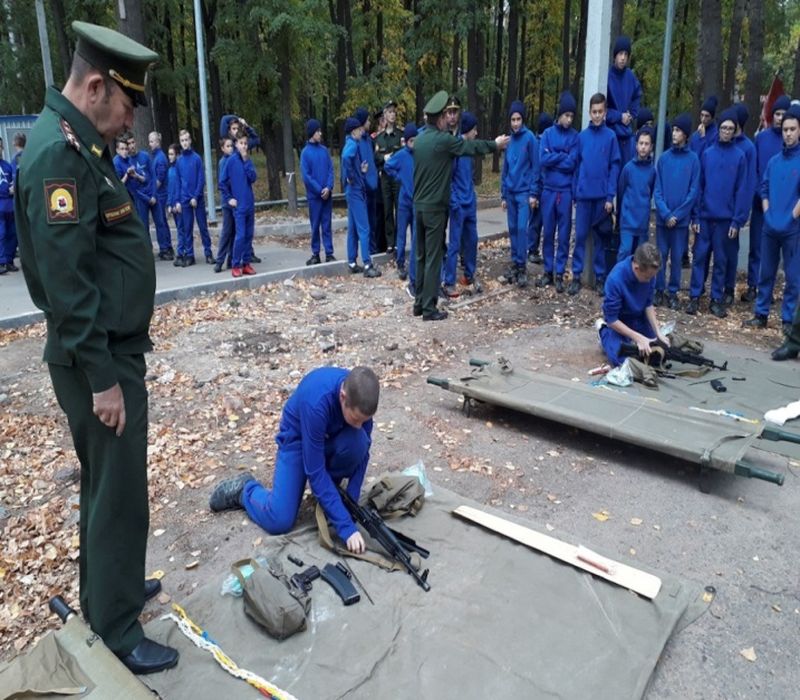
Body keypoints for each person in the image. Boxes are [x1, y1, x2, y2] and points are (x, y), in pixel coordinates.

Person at [13, 21, 177, 674]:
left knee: (113, 486)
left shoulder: (80, 145)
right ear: (96, 86)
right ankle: (114, 627)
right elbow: (67, 285)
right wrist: (104, 380)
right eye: (127, 105)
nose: (129, 121)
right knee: (115, 492)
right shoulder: (59, 155)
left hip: (105, 353)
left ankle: (114, 587)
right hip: (95, 362)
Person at [209, 367, 380, 553]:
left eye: (364, 421)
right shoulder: (317, 403)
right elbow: (315, 472)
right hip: (297, 439)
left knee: (358, 443)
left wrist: (351, 504)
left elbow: (363, 454)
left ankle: (330, 493)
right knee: (279, 519)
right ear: (343, 396)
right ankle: (245, 490)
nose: (359, 425)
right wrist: (346, 527)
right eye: (356, 419)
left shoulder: (362, 400)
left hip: (332, 434)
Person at [413, 90, 508, 321]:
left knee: (422, 256)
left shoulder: (421, 139)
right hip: (435, 209)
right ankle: (429, 309)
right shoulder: (443, 140)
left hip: (420, 207)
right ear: (440, 118)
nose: (450, 119)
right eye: (446, 115)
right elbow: (469, 148)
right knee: (434, 258)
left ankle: (418, 303)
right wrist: (494, 145)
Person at [686, 107, 749, 318]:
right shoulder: (707, 154)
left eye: (730, 128)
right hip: (705, 217)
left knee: (721, 261)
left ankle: (716, 298)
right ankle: (694, 296)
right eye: (723, 128)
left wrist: (737, 221)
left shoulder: (740, 157)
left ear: (735, 130)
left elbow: (742, 190)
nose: (726, 132)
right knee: (699, 258)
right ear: (718, 129)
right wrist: (695, 216)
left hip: (725, 220)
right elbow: (699, 186)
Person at [743, 105, 800, 333]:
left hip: (792, 228)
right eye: (785, 129)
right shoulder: (774, 161)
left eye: (792, 129)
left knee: (793, 276)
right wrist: (767, 213)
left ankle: (788, 320)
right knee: (766, 273)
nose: (787, 133)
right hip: (770, 227)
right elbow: (764, 188)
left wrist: (791, 218)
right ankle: (761, 314)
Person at [572, 92, 621, 295]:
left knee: (600, 239)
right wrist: (576, 192)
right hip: (584, 197)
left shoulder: (611, 137)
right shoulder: (581, 137)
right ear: (589, 113)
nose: (598, 115)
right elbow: (576, 166)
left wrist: (610, 196)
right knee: (581, 236)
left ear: (606, 112)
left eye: (601, 111)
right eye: (594, 112)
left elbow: (614, 167)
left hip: (602, 199)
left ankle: (600, 277)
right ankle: (576, 275)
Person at [653, 113, 700, 310]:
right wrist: (665, 214)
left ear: (686, 135)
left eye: (678, 130)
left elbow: (693, 192)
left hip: (679, 222)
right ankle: (658, 289)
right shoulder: (663, 158)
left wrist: (677, 215)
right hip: (663, 220)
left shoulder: (693, 160)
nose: (674, 133)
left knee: (676, 257)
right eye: (673, 129)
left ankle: (673, 291)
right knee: (660, 256)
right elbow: (658, 189)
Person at [598, 242, 669, 367]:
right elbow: (612, 319)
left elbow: (648, 304)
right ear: (636, 268)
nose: (650, 280)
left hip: (639, 318)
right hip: (618, 321)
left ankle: (636, 339)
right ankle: (603, 332)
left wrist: (658, 332)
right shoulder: (615, 279)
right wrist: (638, 338)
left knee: (656, 354)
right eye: (647, 277)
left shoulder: (650, 273)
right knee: (620, 360)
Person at [537, 92, 578, 293]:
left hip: (565, 191)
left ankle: (560, 272)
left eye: (572, 116)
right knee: (548, 232)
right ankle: (548, 271)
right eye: (566, 115)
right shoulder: (547, 135)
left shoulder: (575, 137)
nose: (569, 120)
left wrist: (555, 156)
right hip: (549, 191)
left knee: (563, 234)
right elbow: (542, 160)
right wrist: (562, 156)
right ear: (559, 114)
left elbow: (572, 163)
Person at [500, 100, 540, 288]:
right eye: (513, 119)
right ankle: (515, 263)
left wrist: (534, 192)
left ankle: (522, 266)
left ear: (523, 120)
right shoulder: (509, 141)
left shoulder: (530, 138)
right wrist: (503, 194)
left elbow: (536, 166)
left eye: (518, 119)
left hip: (524, 192)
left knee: (523, 229)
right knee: (513, 229)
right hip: (511, 192)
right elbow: (505, 168)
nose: (515, 123)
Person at [443, 112, 482, 297]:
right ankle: (449, 281)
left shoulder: (470, 148)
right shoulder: (457, 148)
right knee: (455, 244)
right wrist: (455, 201)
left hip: (470, 203)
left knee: (472, 240)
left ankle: (468, 275)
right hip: (458, 205)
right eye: (475, 130)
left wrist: (471, 197)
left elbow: (469, 176)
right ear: (468, 130)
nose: (477, 133)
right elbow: (448, 179)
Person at [726, 103, 758, 306]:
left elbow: (747, 184)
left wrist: (741, 215)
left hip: (734, 210)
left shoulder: (747, 148)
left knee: (730, 252)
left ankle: (729, 288)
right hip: (716, 208)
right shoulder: (721, 141)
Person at [342, 116, 381, 278]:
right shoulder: (352, 144)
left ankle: (352, 262)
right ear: (354, 131)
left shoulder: (352, 143)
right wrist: (351, 176)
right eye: (359, 130)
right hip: (356, 191)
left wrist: (360, 170)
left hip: (353, 191)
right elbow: (346, 158)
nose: (362, 132)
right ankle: (367, 264)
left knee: (353, 229)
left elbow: (350, 161)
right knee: (364, 228)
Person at [383, 122, 417, 285]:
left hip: (417, 201)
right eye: (410, 141)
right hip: (404, 201)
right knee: (402, 234)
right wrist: (399, 178)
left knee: (417, 235)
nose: (413, 144)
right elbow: (388, 166)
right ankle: (401, 263)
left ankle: (415, 264)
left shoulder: (420, 154)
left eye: (415, 140)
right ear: (405, 141)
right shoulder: (401, 155)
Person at [176, 129, 214, 266]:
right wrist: (179, 200)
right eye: (182, 141)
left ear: (190, 141)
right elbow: (180, 182)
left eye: (187, 140)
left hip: (197, 198)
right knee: (187, 228)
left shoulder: (196, 158)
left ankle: (208, 253)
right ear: (180, 143)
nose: (185, 143)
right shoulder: (179, 161)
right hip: (185, 199)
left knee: (203, 227)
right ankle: (190, 254)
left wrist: (196, 197)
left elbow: (201, 179)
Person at [222, 133, 258, 277]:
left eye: (245, 143)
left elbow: (253, 177)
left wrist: (246, 160)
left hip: (249, 203)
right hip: (239, 206)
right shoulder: (230, 161)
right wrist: (229, 198)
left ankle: (246, 263)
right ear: (236, 144)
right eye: (241, 143)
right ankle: (236, 264)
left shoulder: (247, 160)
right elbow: (222, 183)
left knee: (249, 235)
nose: (244, 146)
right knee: (240, 235)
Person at [300, 118, 335, 265]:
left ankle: (329, 252)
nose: (320, 133)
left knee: (327, 224)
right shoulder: (305, 153)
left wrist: (329, 187)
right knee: (315, 225)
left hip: (326, 195)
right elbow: (306, 176)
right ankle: (315, 253)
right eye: (318, 131)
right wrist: (320, 189)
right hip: (315, 196)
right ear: (312, 133)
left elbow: (330, 170)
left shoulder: (324, 150)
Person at [617, 127, 655, 263]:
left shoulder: (652, 170)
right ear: (636, 145)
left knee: (641, 256)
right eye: (641, 143)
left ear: (651, 147)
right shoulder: (628, 168)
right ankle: (619, 280)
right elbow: (621, 191)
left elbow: (650, 192)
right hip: (628, 219)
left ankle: (638, 283)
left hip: (642, 221)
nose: (643, 147)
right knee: (625, 251)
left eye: (646, 144)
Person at [606, 35, 642, 166]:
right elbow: (601, 110)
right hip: (611, 133)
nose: (623, 58)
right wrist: (619, 116)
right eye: (620, 53)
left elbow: (637, 96)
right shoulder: (607, 77)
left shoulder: (630, 77)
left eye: (626, 54)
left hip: (627, 136)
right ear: (615, 55)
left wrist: (631, 115)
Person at [375, 101, 402, 255]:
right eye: (389, 112)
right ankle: (390, 243)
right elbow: (376, 157)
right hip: (385, 177)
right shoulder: (379, 138)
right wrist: (384, 158)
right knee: (387, 210)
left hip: (397, 178)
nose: (392, 115)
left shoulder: (400, 135)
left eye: (394, 112)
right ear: (384, 115)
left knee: (399, 209)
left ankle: (398, 241)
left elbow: (403, 154)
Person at [527, 112, 553, 264]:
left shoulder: (538, 142)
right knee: (536, 222)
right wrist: (535, 192)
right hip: (540, 188)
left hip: (542, 188)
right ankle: (532, 250)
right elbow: (538, 170)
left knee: (538, 222)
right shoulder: (541, 145)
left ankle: (534, 249)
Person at [355, 107, 380, 254]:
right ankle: (366, 252)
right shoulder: (357, 142)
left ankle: (373, 248)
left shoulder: (369, 140)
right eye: (368, 120)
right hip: (363, 187)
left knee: (373, 220)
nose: (370, 122)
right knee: (364, 223)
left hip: (373, 186)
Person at [147, 131, 174, 260]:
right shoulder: (156, 157)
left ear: (157, 142)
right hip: (159, 194)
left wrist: (152, 192)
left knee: (161, 222)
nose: (150, 144)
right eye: (149, 141)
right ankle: (166, 247)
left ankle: (166, 248)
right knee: (161, 222)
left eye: (152, 141)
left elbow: (160, 179)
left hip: (160, 195)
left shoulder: (160, 158)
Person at [214, 136, 235, 272]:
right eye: (227, 146)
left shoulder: (233, 160)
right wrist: (228, 198)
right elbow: (222, 184)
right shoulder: (223, 162)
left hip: (235, 201)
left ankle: (231, 259)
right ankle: (219, 260)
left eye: (231, 145)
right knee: (227, 231)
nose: (231, 148)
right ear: (222, 148)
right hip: (228, 203)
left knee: (234, 232)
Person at [0, 137, 17, 274]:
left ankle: (9, 260)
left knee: (13, 233)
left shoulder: (7, 165)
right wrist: (6, 190)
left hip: (10, 205)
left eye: (0, 146)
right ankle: (1, 262)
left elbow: (13, 180)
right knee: (1, 234)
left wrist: (13, 187)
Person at [166, 143, 184, 250]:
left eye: (172, 154)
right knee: (179, 228)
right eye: (169, 154)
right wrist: (169, 203)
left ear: (177, 155)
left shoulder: (179, 169)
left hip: (179, 204)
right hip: (173, 204)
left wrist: (178, 202)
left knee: (182, 229)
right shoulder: (170, 170)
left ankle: (181, 251)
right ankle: (181, 250)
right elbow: (170, 189)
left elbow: (180, 188)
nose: (170, 157)